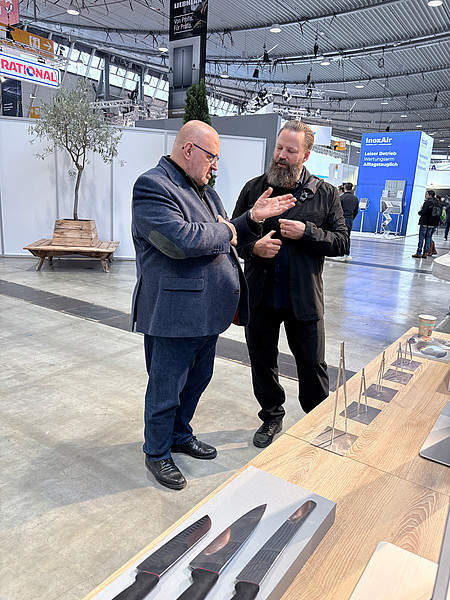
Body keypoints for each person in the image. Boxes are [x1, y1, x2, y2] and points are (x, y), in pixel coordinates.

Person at [131, 120, 294, 489]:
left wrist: (251, 219)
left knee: (196, 381)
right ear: (188, 149)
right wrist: (228, 230)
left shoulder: (207, 192)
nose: (215, 165)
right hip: (173, 314)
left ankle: (179, 435)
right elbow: (181, 240)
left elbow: (225, 235)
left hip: (207, 312)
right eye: (211, 157)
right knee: (165, 389)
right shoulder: (153, 186)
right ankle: (157, 452)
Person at [232, 120, 349, 448]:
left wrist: (307, 232)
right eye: (279, 148)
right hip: (260, 295)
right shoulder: (254, 189)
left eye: (290, 151)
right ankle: (271, 415)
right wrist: (253, 248)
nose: (281, 155)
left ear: (306, 155)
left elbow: (341, 242)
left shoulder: (325, 194)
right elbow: (233, 235)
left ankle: (318, 421)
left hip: (304, 298)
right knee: (262, 361)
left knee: (312, 365)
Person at [412, 190, 441, 259]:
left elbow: (423, 211)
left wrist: (419, 212)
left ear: (430, 195)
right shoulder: (437, 203)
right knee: (428, 238)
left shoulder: (427, 202)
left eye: (427, 194)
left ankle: (419, 253)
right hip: (432, 223)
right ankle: (425, 253)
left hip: (425, 222)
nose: (425, 195)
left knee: (421, 237)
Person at [339, 182, 359, 261]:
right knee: (347, 236)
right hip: (350, 219)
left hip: (341, 219)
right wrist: (351, 218)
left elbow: (338, 210)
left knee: (340, 236)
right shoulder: (355, 198)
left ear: (344, 188)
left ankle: (340, 253)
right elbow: (356, 211)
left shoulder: (341, 198)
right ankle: (347, 253)